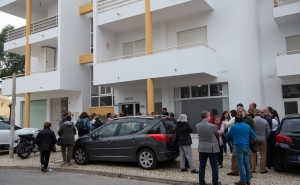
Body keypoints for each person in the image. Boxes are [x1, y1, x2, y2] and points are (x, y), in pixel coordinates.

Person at [226, 114, 256, 185]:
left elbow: (228, 134)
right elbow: (254, 135)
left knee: (240, 164)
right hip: (247, 146)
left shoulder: (234, 127)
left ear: (235, 120)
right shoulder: (247, 126)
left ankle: (242, 180)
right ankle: (248, 179)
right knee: (247, 163)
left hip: (238, 146)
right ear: (242, 119)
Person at [196, 111, 222, 185]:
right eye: (209, 116)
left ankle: (201, 183)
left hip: (202, 148)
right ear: (207, 116)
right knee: (214, 167)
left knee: (202, 166)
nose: (210, 117)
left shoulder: (197, 125)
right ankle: (215, 183)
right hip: (212, 148)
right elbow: (218, 133)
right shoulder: (212, 126)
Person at [252, 109, 270, 173]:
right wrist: (265, 137)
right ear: (260, 114)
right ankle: (262, 169)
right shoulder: (264, 121)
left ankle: (253, 169)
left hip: (254, 139)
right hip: (263, 138)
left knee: (253, 154)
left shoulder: (252, 121)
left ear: (254, 114)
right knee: (263, 154)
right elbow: (268, 131)